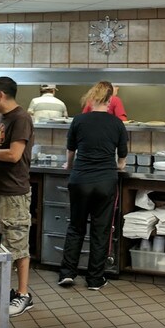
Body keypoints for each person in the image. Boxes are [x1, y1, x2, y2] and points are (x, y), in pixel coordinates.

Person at [59, 82, 128, 291]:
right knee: (101, 230)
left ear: (92, 98)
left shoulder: (79, 120)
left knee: (76, 227)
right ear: (110, 100)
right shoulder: (117, 124)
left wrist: (69, 166)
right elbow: (122, 156)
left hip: (80, 180)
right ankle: (95, 279)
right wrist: (118, 166)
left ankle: (67, 274)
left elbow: (71, 150)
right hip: (105, 182)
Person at [0, 76, 35, 316]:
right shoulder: (3, 117)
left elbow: (13, 155)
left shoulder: (21, 119)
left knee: (17, 245)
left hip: (14, 194)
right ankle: (2, 290)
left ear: (0, 95)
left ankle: (23, 295)